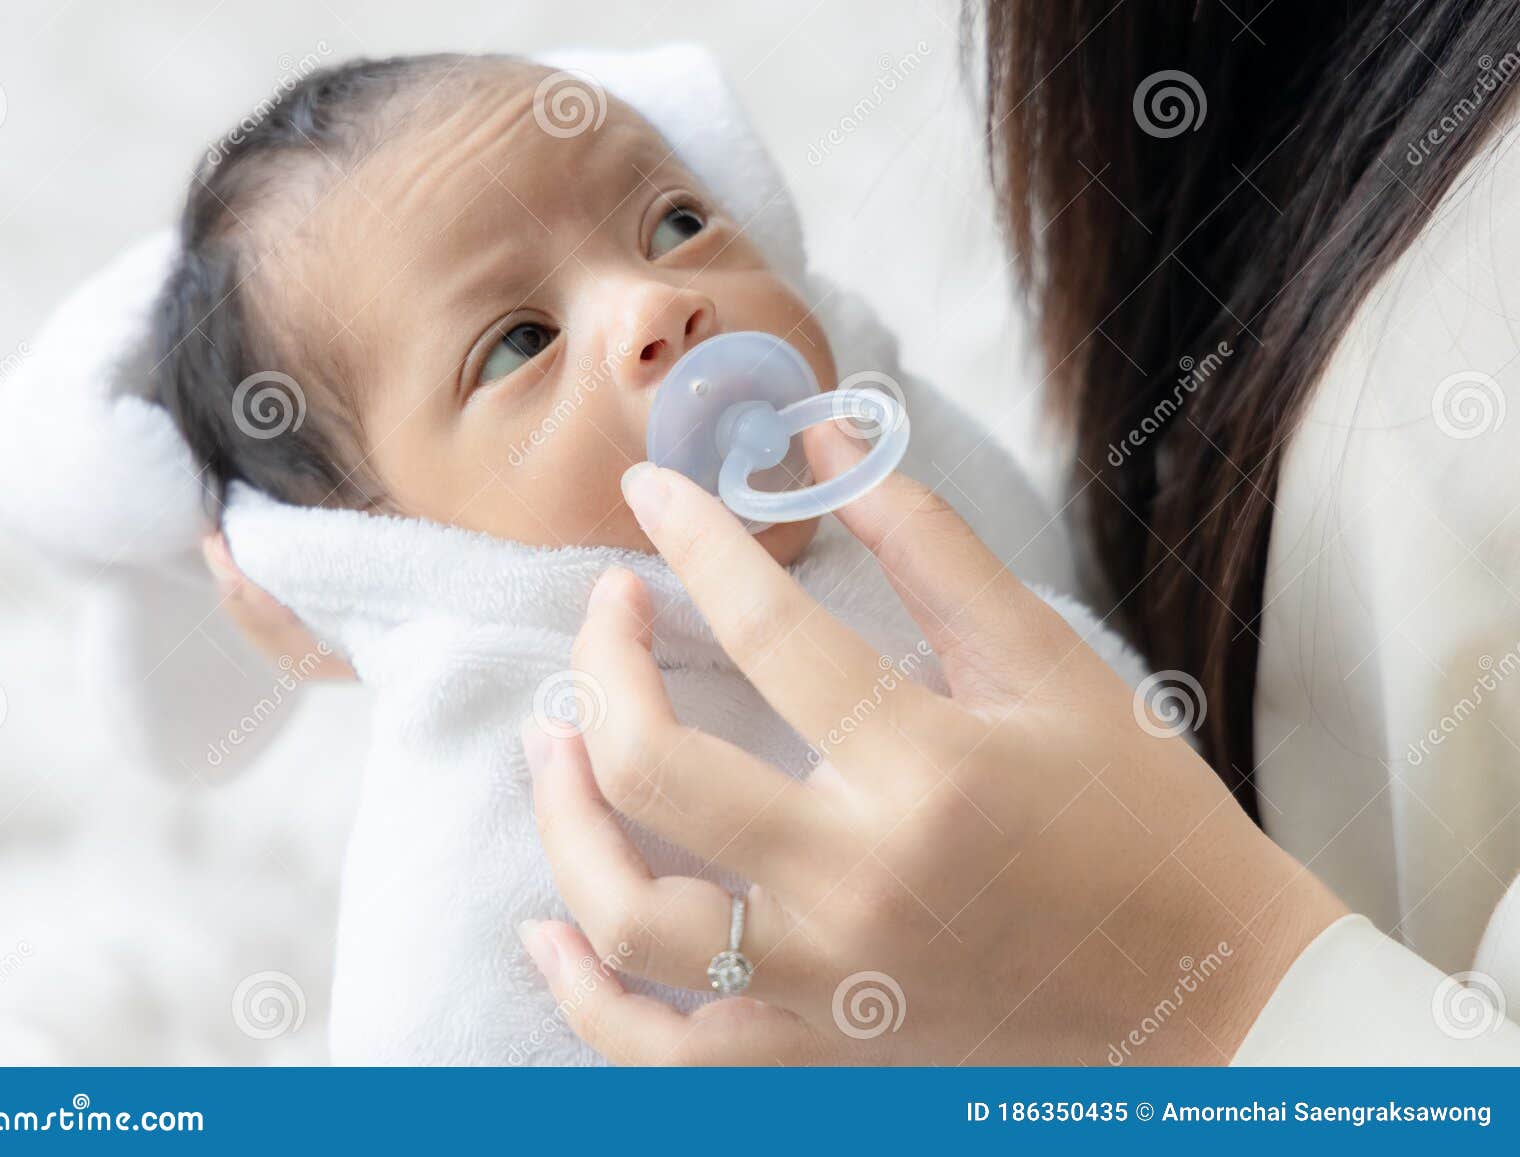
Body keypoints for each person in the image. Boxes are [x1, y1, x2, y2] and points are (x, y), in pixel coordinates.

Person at [219, 1, 1520, 1062]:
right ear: (391, 546)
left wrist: (1206, 995)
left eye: (675, 220)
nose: (659, 301)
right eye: (517, 341)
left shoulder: (914, 501)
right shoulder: (491, 791)